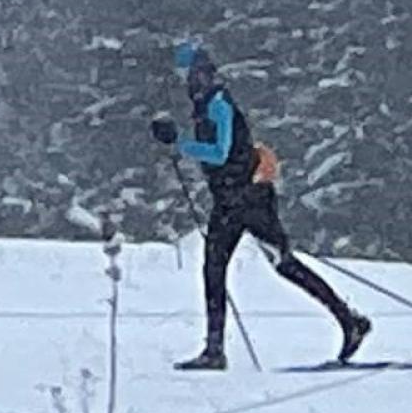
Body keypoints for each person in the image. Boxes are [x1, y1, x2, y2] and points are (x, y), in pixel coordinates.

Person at [151, 40, 370, 371]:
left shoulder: (218, 104)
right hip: (233, 198)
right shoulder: (208, 103)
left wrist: (181, 144)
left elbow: (220, 153)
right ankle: (215, 348)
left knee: (268, 265)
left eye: (187, 73)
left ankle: (347, 320)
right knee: (235, 266)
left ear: (200, 74)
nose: (185, 81)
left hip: (247, 199)